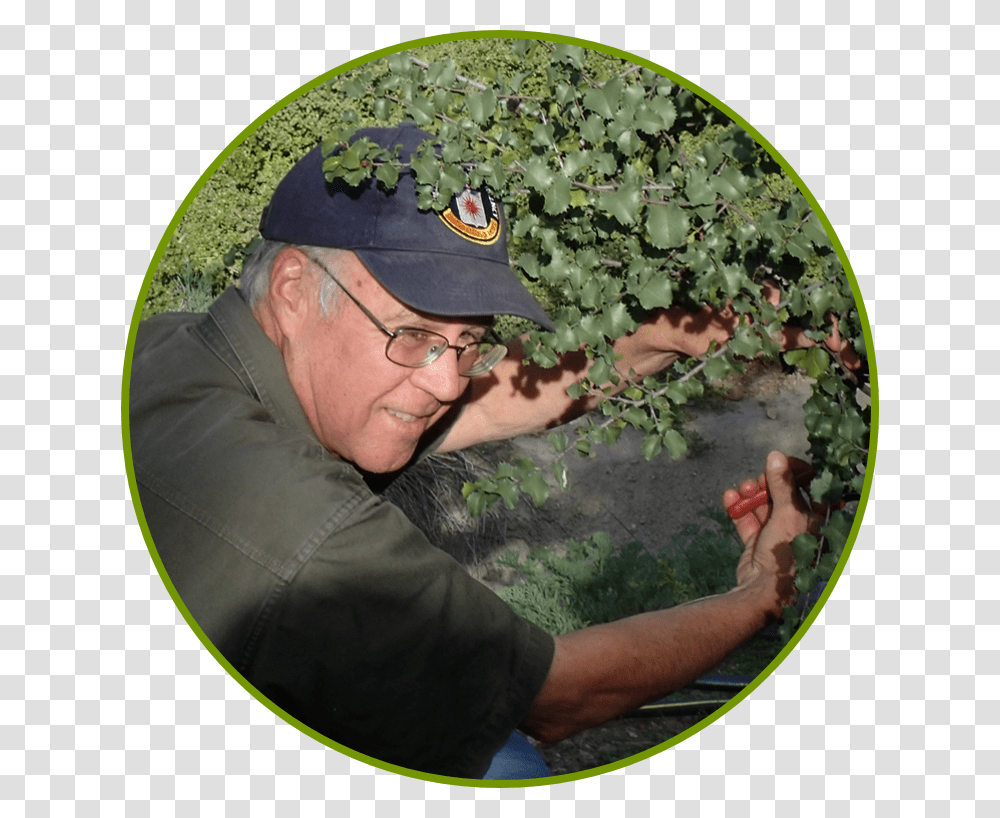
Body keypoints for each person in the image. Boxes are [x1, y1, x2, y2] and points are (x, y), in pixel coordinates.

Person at [129, 123, 850, 779]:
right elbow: (556, 695)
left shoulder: (174, 349)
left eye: (468, 342)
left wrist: (666, 333)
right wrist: (766, 590)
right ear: (293, 288)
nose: (447, 381)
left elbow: (500, 393)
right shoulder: (306, 536)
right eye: (411, 335)